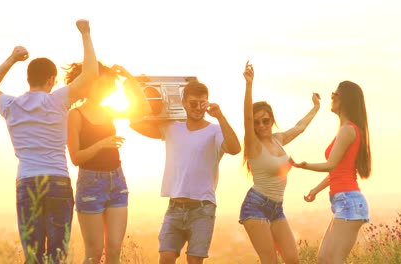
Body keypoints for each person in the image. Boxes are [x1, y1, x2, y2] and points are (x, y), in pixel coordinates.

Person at [0, 20, 99, 263]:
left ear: (28, 78)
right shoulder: (58, 101)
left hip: (27, 182)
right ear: (51, 79)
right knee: (56, 256)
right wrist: (85, 33)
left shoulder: (11, 106)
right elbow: (90, 75)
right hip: (57, 181)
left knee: (33, 256)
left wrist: (12, 58)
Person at [130, 81, 241, 264]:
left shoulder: (215, 130)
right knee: (165, 258)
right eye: (193, 103)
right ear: (184, 102)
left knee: (194, 261)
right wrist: (140, 89)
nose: (198, 108)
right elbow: (135, 124)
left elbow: (235, 149)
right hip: (174, 208)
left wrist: (220, 117)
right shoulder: (172, 127)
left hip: (202, 209)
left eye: (202, 103)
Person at [64, 62, 151, 263]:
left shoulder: (110, 110)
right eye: (101, 83)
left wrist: (129, 77)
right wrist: (101, 144)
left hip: (117, 181)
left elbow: (144, 109)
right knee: (94, 253)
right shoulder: (75, 115)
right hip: (90, 183)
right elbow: (76, 158)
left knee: (114, 250)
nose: (106, 87)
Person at [240, 61, 320, 264]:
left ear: (271, 120)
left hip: (276, 208)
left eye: (265, 120)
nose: (260, 125)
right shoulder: (253, 145)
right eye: (257, 121)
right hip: (256, 206)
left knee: (293, 259)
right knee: (270, 261)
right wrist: (249, 84)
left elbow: (300, 127)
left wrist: (316, 107)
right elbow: (247, 120)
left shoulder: (278, 139)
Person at [291, 81, 372, 264]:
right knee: (323, 259)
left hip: (349, 202)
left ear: (345, 100)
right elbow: (336, 171)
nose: (332, 97)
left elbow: (330, 164)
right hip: (343, 201)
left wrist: (304, 165)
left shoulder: (347, 130)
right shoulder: (346, 130)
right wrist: (315, 190)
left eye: (335, 94)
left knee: (334, 260)